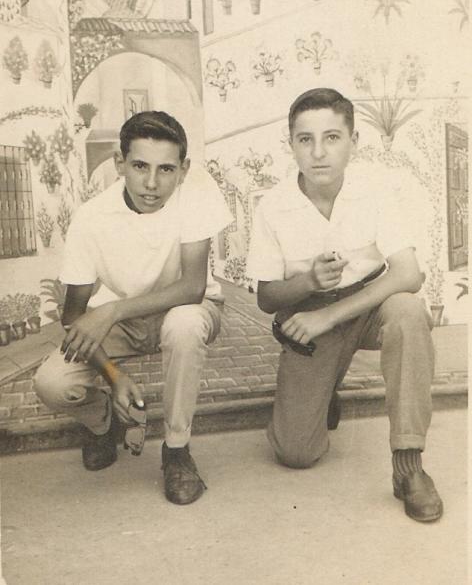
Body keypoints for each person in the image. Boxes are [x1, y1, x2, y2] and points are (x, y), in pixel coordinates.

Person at [246, 88, 443, 523]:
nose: (318, 153)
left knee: (409, 312)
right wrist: (309, 283)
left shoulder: (376, 190)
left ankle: (409, 466)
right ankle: (323, 391)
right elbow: (266, 298)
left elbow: (408, 274)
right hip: (309, 315)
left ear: (353, 141)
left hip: (370, 306)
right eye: (305, 139)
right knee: (295, 452)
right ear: (291, 143)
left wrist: (329, 315)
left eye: (332, 138)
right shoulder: (273, 206)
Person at [34, 111, 233, 506]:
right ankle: (103, 424)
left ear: (183, 170)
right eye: (140, 166)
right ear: (119, 163)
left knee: (184, 325)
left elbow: (192, 287)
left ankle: (176, 450)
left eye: (166, 169)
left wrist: (111, 312)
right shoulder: (92, 218)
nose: (152, 183)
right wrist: (113, 376)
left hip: (186, 309)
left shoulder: (197, 192)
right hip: (126, 322)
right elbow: (74, 316)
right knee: (51, 382)